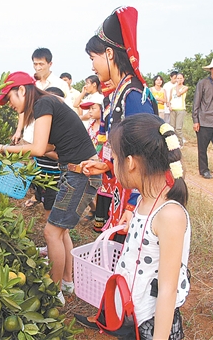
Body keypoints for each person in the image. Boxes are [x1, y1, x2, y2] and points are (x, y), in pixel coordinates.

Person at [78, 114, 191, 340]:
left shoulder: (170, 215)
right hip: (133, 310)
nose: (114, 166)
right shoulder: (144, 199)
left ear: (130, 163)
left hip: (152, 323)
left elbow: (167, 291)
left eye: (115, 159)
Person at [0, 71, 102, 305]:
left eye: (8, 98)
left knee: (51, 233)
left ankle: (54, 292)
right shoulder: (48, 104)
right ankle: (66, 282)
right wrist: (21, 149)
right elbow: (51, 145)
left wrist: (3, 148)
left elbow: (40, 148)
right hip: (75, 172)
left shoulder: (44, 103)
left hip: (79, 175)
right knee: (59, 232)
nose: (9, 105)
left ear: (22, 90)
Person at [82, 5, 157, 235]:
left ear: (110, 54)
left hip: (134, 198)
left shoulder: (133, 96)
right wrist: (107, 165)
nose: (92, 65)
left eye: (93, 58)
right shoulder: (119, 93)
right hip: (122, 192)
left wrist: (134, 204)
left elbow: (146, 154)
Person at [12, 48, 70, 144]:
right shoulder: (31, 85)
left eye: (41, 64)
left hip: (52, 138)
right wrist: (18, 131)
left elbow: (67, 110)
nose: (38, 68)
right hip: (30, 135)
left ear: (50, 64)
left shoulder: (60, 84)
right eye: (35, 64)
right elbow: (23, 109)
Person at [169, 73, 189, 146]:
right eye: (178, 78)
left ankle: (180, 143)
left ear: (183, 79)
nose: (179, 80)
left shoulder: (185, 87)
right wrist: (169, 105)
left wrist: (178, 86)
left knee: (178, 128)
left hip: (180, 109)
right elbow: (170, 99)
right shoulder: (172, 89)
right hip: (173, 109)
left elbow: (178, 94)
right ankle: (173, 143)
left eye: (181, 78)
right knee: (172, 127)